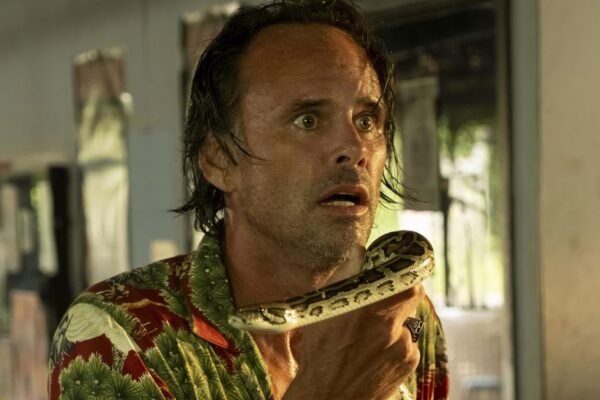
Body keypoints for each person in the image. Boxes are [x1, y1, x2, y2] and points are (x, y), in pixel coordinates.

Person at [48, 1, 449, 399]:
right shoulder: (119, 333)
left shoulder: (400, 316)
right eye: (308, 120)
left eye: (366, 121)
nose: (355, 147)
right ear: (219, 159)